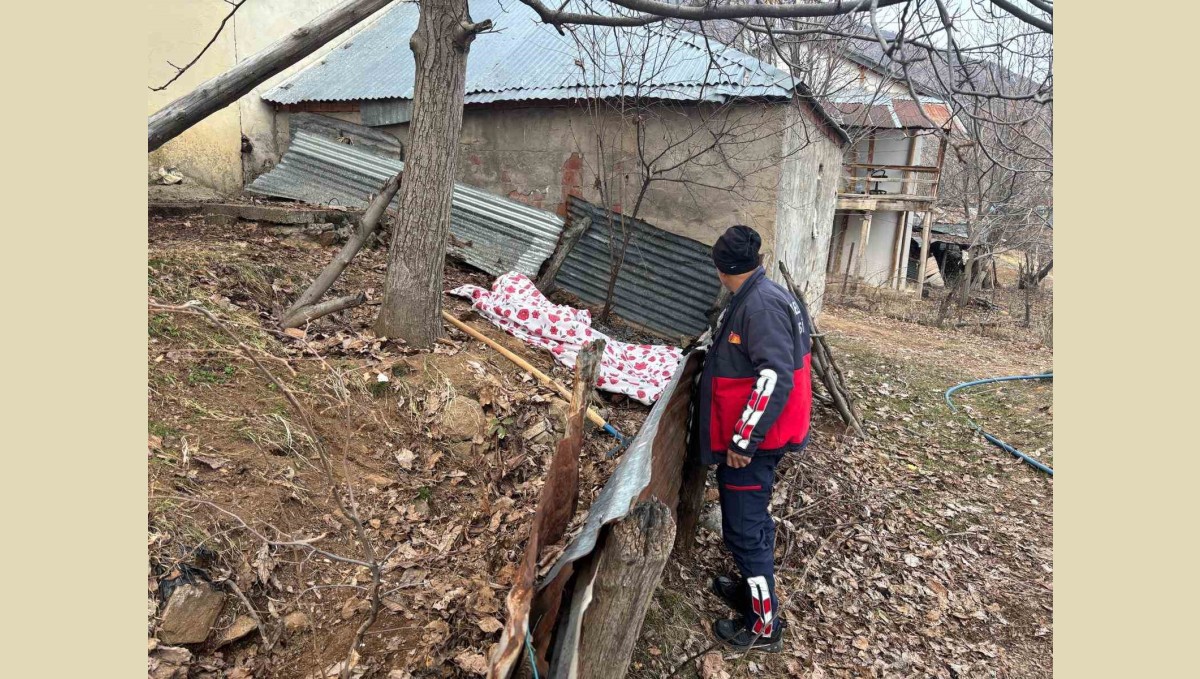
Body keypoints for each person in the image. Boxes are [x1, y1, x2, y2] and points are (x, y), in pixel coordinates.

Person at [695, 224, 813, 652]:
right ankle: (751, 591)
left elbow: (774, 376)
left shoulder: (760, 306)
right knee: (750, 518)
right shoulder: (761, 293)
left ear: (725, 268)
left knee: (744, 530)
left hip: (757, 443)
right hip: (764, 435)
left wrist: (744, 440)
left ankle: (764, 626)